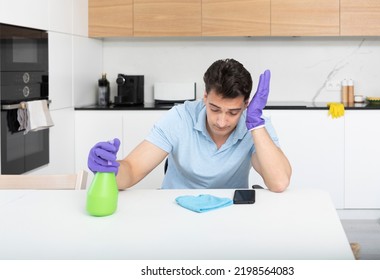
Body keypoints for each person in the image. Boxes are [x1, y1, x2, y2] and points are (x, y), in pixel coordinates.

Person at [88, 59, 292, 192]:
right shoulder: (180, 117)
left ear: (246, 105)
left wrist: (255, 124)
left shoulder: (255, 124)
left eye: (233, 112)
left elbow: (279, 182)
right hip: (174, 210)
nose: (222, 121)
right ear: (204, 97)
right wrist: (110, 170)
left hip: (229, 215)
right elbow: (132, 170)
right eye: (214, 109)